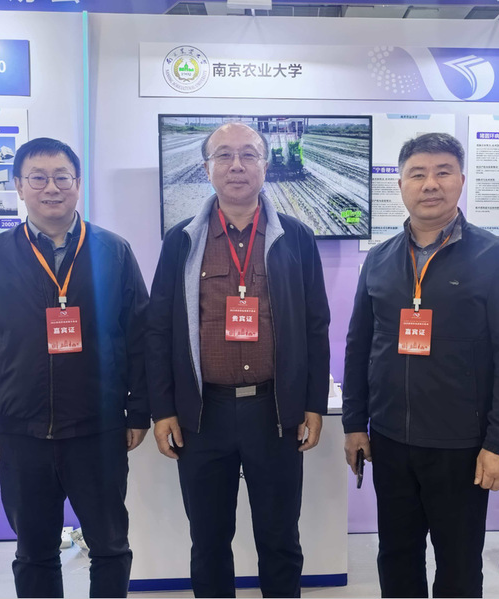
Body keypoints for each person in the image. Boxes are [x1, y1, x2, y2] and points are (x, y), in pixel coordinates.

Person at [0, 138, 150, 598]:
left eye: (62, 177)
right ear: (19, 186)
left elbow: (140, 337)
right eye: (38, 178)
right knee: (34, 552)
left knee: (110, 547)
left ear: (78, 184)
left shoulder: (113, 251)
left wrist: (139, 409)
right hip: (21, 433)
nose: (51, 188)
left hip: (98, 430)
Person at [342, 132, 499, 598]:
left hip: (462, 445)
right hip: (389, 438)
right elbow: (359, 344)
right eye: (418, 174)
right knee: (396, 555)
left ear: (461, 180)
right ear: (401, 185)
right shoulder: (380, 258)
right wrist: (354, 424)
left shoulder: (498, 256)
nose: (430, 183)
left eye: (443, 172)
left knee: (458, 563)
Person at [147, 122, 331, 598]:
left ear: (265, 165)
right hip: (203, 416)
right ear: (206, 168)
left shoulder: (296, 236)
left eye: (248, 154)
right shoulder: (181, 240)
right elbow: (158, 328)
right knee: (209, 542)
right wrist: (163, 409)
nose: (236, 165)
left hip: (274, 412)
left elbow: (316, 325)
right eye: (223, 156)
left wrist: (313, 404)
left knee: (280, 538)